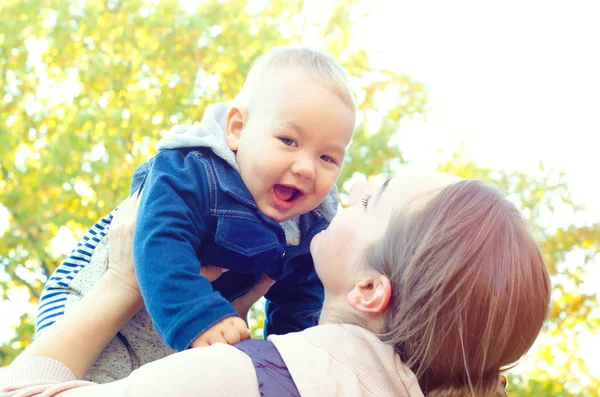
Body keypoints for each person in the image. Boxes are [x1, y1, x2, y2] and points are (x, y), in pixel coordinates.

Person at [1, 172, 551, 396]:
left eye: (370, 200)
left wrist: (120, 284)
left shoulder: (252, 379)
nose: (349, 186)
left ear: (368, 290)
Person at [33, 46, 357, 382]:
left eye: (328, 158)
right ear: (237, 129)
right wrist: (201, 316)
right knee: (78, 382)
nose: (306, 168)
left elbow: (300, 303)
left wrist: (296, 366)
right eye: (289, 140)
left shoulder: (310, 225)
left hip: (168, 329)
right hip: (91, 295)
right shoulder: (193, 168)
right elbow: (162, 240)